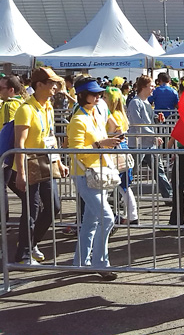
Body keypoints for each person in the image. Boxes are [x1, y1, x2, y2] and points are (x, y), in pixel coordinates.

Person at [13, 67, 69, 265]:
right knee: (31, 209)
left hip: (46, 163)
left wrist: (59, 161)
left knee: (53, 206)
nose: (55, 86)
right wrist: (20, 173)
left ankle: (30, 243)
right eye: (51, 83)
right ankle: (23, 255)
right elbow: (19, 144)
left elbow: (50, 138)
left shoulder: (48, 107)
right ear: (39, 85)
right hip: (28, 164)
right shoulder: (25, 109)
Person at [68, 77, 121, 280]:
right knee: (106, 218)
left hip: (97, 174)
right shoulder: (78, 119)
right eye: (94, 93)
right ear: (82, 96)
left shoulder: (93, 115)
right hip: (85, 174)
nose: (98, 96)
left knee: (91, 221)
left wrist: (109, 142)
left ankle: (80, 262)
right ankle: (100, 262)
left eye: (99, 93)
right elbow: (75, 150)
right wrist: (100, 144)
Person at [127, 75, 173, 204]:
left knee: (159, 170)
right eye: (151, 86)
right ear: (143, 87)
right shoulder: (135, 102)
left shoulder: (147, 102)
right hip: (137, 144)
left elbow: (149, 120)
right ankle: (119, 195)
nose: (153, 88)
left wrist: (158, 119)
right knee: (131, 172)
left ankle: (168, 196)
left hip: (148, 143)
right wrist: (153, 136)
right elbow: (138, 124)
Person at [103, 86, 138, 225]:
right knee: (122, 186)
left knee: (120, 185)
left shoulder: (113, 116)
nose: (102, 99)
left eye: (105, 97)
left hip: (115, 152)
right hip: (120, 151)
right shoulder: (120, 114)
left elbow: (112, 134)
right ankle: (131, 214)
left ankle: (132, 215)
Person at [0, 75, 25, 220]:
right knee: (11, 183)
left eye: (1, 88)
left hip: (6, 152)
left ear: (11, 90)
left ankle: (4, 220)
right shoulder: (23, 103)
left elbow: (7, 129)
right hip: (14, 151)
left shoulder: (9, 105)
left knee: (2, 186)